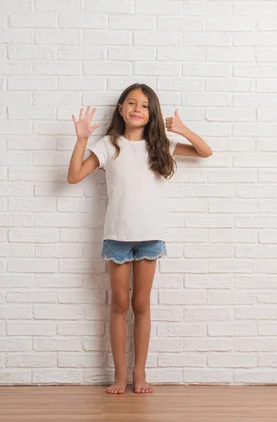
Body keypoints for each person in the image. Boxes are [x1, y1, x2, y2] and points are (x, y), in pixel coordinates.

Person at [67, 83, 213, 394]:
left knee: (141, 304)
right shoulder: (109, 145)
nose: (137, 109)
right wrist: (82, 140)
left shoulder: (159, 146)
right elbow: (74, 175)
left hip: (149, 237)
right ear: (120, 109)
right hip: (118, 237)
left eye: (144, 105)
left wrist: (183, 129)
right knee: (119, 304)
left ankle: (140, 374)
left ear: (151, 114)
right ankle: (119, 376)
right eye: (130, 103)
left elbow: (205, 152)